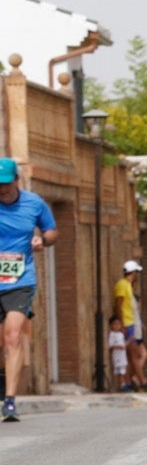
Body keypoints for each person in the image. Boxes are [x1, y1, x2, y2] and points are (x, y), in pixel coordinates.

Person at [0, 157, 57, 421]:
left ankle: (10, 401)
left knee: (13, 336)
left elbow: (52, 231)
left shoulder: (34, 204)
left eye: (5, 183)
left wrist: (42, 240)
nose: (2, 189)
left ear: (16, 180)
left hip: (20, 279)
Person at [112, 259, 146, 391]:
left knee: (132, 354)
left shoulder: (128, 285)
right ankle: (141, 381)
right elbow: (118, 304)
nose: (137, 275)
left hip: (130, 322)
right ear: (132, 272)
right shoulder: (122, 284)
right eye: (136, 272)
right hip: (126, 323)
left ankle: (132, 381)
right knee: (132, 354)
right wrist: (121, 324)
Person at [108, 316, 130, 391]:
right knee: (120, 372)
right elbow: (111, 346)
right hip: (117, 356)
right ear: (111, 325)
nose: (117, 326)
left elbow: (123, 344)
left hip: (122, 356)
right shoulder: (112, 335)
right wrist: (119, 347)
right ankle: (122, 385)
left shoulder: (120, 334)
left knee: (124, 370)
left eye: (118, 324)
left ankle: (126, 383)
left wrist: (128, 342)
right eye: (115, 324)